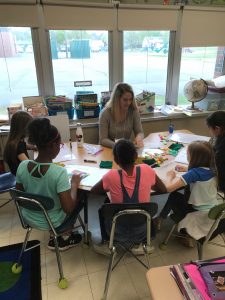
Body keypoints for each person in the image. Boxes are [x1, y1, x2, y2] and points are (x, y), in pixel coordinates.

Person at [15, 118, 84, 251]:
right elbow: (69, 209)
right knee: (81, 196)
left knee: (56, 195)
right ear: (53, 145)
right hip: (52, 222)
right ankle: (64, 236)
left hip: (28, 217)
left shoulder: (23, 166)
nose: (60, 147)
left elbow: (20, 196)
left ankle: (58, 235)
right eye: (60, 145)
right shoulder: (58, 172)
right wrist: (74, 184)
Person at [91, 139, 166, 256]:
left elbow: (94, 191)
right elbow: (163, 189)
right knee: (143, 207)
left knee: (104, 208)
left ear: (115, 160)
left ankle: (108, 244)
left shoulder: (111, 176)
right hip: (142, 231)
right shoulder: (147, 169)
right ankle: (139, 244)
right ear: (136, 156)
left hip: (116, 231)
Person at [156, 141, 218, 245]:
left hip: (195, 211)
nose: (186, 156)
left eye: (187, 154)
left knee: (173, 195)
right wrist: (186, 169)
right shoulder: (214, 169)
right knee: (182, 193)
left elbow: (168, 188)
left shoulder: (193, 173)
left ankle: (160, 219)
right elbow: (201, 173)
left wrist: (170, 176)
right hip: (212, 208)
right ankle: (162, 220)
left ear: (194, 158)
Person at [99, 82, 144, 149]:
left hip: (124, 149)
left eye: (130, 99)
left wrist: (139, 138)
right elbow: (103, 140)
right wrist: (117, 146)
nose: (128, 103)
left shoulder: (133, 111)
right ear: (117, 100)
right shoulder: (105, 113)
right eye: (125, 100)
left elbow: (140, 132)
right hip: (109, 149)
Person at [4, 111, 34, 175]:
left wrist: (33, 147)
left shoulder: (16, 141)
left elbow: (25, 146)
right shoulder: (17, 146)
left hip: (21, 173)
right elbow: (28, 165)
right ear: (23, 128)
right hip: (21, 177)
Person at [206, 110, 225, 193]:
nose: (209, 131)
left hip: (221, 184)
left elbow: (215, 168)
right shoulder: (220, 137)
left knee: (194, 182)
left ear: (217, 128)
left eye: (209, 128)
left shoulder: (222, 148)